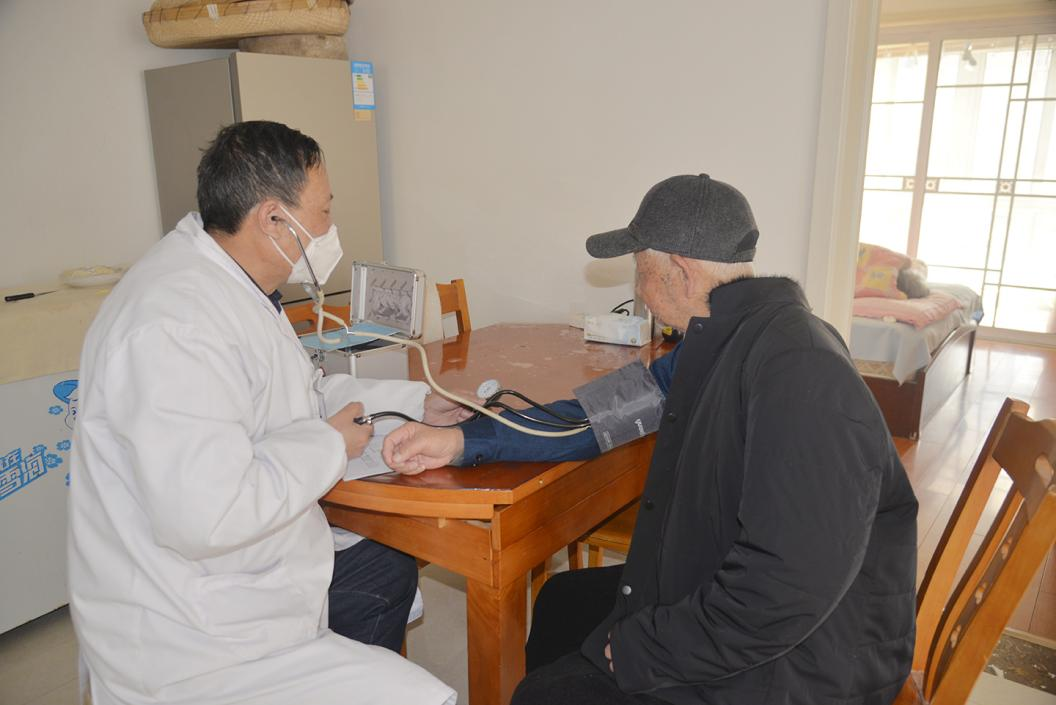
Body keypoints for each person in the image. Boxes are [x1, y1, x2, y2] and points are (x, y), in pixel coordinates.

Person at [383, 174, 919, 705]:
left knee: (545, 695)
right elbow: (595, 418)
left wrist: (648, 649)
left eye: (640, 271)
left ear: (680, 272)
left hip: (807, 665)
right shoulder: (719, 342)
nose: (639, 291)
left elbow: (788, 589)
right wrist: (463, 440)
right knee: (563, 601)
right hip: (741, 593)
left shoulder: (800, 372)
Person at [68, 121, 457, 705]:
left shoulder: (233, 284)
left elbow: (301, 393)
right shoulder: (173, 325)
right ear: (274, 219)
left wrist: (415, 403)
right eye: (324, 212)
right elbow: (209, 515)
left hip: (258, 575)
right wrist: (330, 445)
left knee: (385, 563)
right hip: (194, 631)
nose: (330, 229)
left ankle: (345, 657)